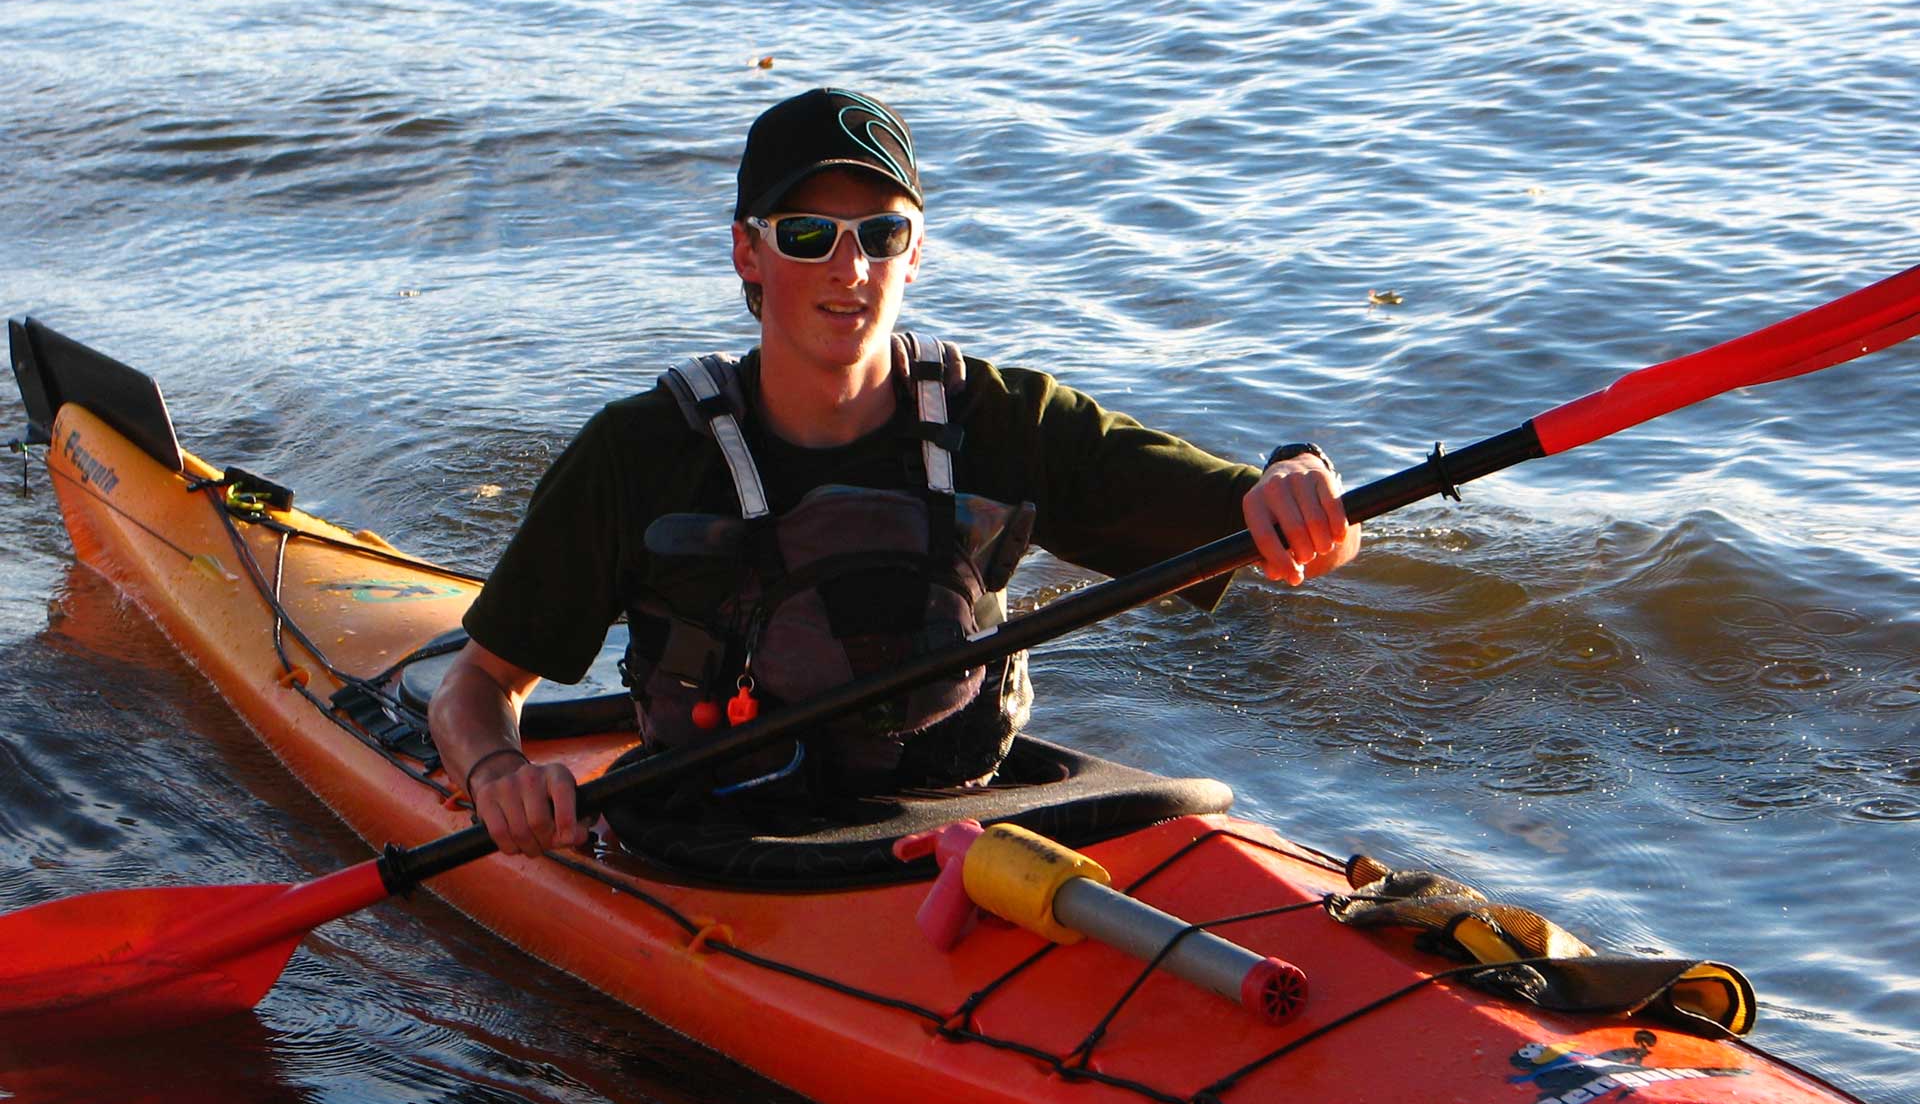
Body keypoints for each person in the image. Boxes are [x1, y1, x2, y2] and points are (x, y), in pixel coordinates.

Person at [429, 87, 1360, 857]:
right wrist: (497, 773)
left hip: (961, 830)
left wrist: (1301, 482)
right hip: (722, 846)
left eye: (881, 234)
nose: (851, 267)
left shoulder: (1004, 420)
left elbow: (1270, 523)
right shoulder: (638, 452)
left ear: (914, 255)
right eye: (808, 235)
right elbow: (475, 691)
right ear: (747, 250)